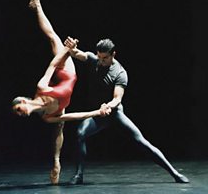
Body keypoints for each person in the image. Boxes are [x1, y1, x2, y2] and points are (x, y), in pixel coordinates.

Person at [12, 0, 110, 185]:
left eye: (18, 109)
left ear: (23, 100)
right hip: (61, 100)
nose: (19, 113)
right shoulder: (47, 118)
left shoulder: (42, 87)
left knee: (52, 37)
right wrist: (96, 113)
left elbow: (53, 64)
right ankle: (56, 163)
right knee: (59, 127)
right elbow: (72, 116)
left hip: (66, 71)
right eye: (17, 113)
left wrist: (67, 50)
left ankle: (37, 6)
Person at [64, 38, 190, 184]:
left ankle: (174, 174)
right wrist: (72, 48)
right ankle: (79, 175)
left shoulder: (120, 73)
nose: (101, 60)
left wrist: (108, 106)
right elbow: (77, 54)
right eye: (99, 57)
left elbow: (117, 98)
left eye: (105, 58)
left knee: (142, 142)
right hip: (99, 114)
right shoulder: (95, 60)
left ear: (113, 55)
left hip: (115, 114)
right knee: (80, 133)